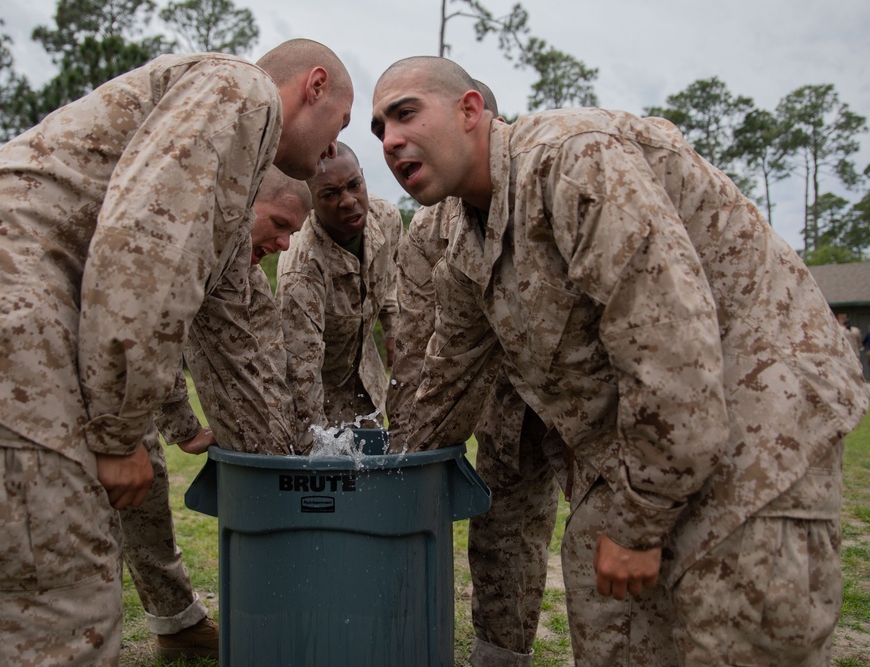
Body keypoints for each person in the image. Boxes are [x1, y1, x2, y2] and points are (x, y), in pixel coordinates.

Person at [371, 56, 869, 666]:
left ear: (471, 110)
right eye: (379, 131)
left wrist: (639, 526)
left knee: (734, 642)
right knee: (610, 620)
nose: (390, 141)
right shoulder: (463, 237)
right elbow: (446, 378)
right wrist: (379, 486)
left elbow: (673, 348)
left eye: (404, 114)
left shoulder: (573, 161)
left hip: (758, 433)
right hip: (639, 453)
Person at [0, 39, 352, 665]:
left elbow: (242, 327)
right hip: (1, 344)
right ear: (313, 86)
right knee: (55, 628)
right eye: (340, 123)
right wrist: (122, 433)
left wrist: (288, 457)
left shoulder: (225, 172)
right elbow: (144, 252)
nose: (332, 152)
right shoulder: (243, 92)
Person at [385, 81, 560, 667]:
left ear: (477, 118)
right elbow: (416, 345)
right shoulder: (430, 231)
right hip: (499, 398)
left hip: (591, 400)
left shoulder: (558, 176)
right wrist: (410, 453)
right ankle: (500, 654)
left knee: (612, 537)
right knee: (502, 532)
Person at [119, 167, 312, 661]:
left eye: (294, 232)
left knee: (148, 493)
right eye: (280, 224)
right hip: (95, 362)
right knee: (118, 494)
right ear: (246, 203)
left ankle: (178, 626)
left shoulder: (242, 261)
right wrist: (183, 425)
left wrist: (289, 438)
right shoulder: (192, 237)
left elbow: (266, 353)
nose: (286, 243)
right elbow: (154, 328)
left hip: (135, 371)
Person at [275, 142, 403, 440]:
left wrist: (393, 333)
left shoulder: (386, 219)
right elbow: (300, 368)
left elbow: (390, 278)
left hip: (368, 382)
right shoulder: (302, 267)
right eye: (330, 195)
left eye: (354, 185)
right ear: (311, 202)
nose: (348, 201)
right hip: (317, 393)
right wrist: (316, 442)